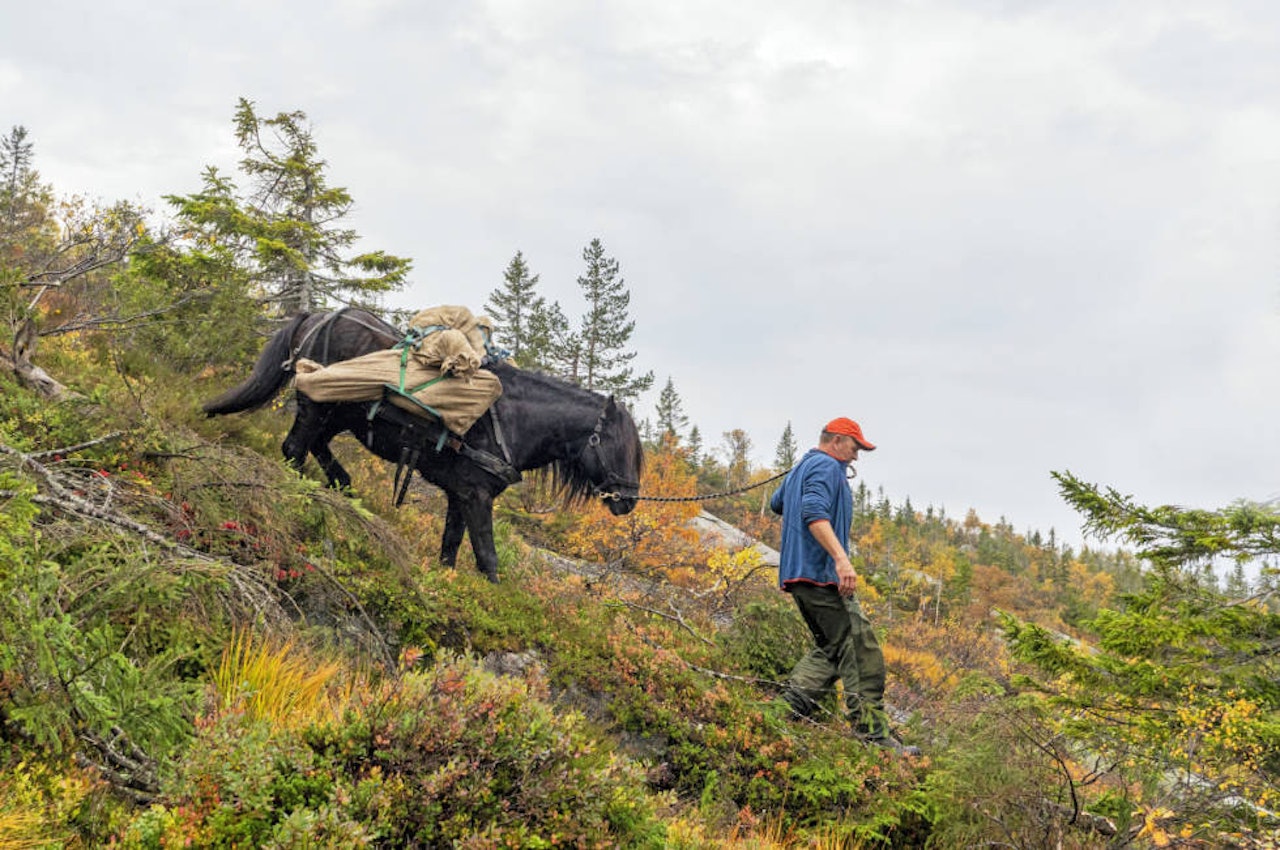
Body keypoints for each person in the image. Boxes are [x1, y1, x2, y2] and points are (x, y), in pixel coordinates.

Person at [769, 417, 920, 756]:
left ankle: (781, 713)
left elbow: (777, 504)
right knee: (861, 648)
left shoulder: (807, 465)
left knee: (833, 649)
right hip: (820, 574)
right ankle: (875, 740)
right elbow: (812, 511)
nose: (856, 456)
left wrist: (799, 474)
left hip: (798, 577)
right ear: (836, 441)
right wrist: (840, 558)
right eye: (855, 447)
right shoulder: (825, 467)